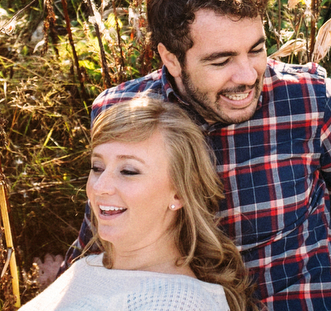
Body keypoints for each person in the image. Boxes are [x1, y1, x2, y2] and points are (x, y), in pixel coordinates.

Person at [62, 0, 331, 311]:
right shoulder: (123, 111)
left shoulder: (311, 102)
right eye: (221, 60)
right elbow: (100, 232)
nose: (248, 75)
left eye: (256, 49)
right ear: (171, 59)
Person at [23, 96, 253, 311]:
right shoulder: (89, 267)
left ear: (179, 194)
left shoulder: (176, 302)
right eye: (97, 167)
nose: (100, 186)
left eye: (129, 171)